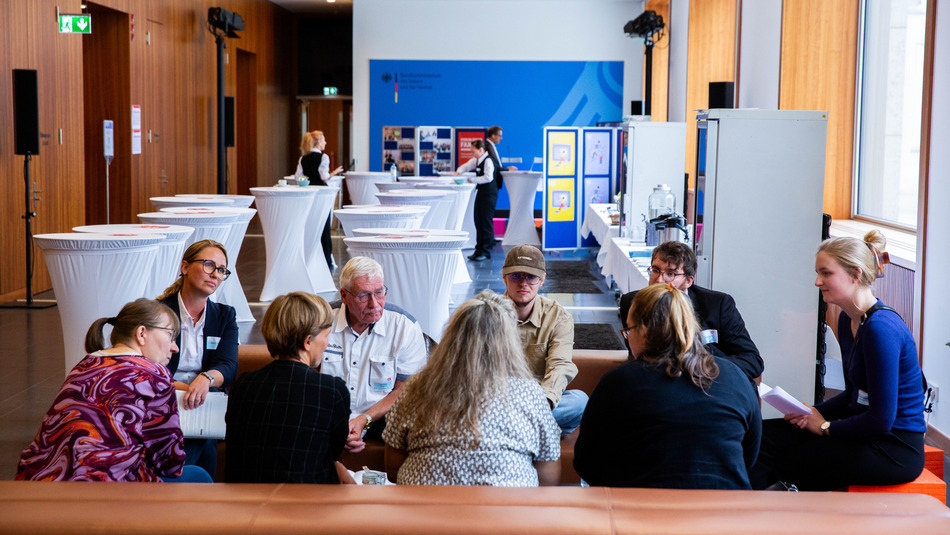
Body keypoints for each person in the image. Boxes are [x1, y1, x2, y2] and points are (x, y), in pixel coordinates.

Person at [751, 231, 926, 491]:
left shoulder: (881, 329)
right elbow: (853, 395)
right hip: (866, 429)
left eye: (826, 273)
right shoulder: (848, 319)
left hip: (893, 447)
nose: (816, 281)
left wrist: (823, 427)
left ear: (855, 274)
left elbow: (881, 420)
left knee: (794, 459)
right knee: (762, 437)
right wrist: (812, 412)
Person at [574, 283, 761, 489]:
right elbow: (749, 456)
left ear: (644, 330)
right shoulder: (736, 376)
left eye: (628, 329)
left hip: (642, 510)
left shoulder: (619, 381)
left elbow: (587, 462)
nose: (628, 338)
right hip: (727, 510)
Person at [16, 298, 210, 482]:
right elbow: (168, 462)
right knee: (200, 476)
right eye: (170, 335)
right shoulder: (153, 374)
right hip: (105, 485)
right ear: (141, 333)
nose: (174, 347)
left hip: (41, 479)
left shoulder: (85, 363)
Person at [383, 290, 561, 486]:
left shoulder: (417, 387)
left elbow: (393, 467)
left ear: (451, 337)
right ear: (509, 343)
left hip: (425, 508)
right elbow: (548, 475)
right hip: (507, 511)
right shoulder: (530, 393)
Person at [225, 292, 350, 484]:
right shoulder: (332, 390)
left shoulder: (242, 385)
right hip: (306, 503)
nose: (327, 343)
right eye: (326, 335)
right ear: (307, 342)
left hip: (244, 502)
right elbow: (333, 452)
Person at [322, 256, 427, 453]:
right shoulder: (322, 320)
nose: (374, 304)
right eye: (363, 295)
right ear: (344, 296)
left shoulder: (404, 326)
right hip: (326, 417)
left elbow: (405, 390)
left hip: (379, 419)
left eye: (379, 293)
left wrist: (364, 419)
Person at [619, 241, 764, 383]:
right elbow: (636, 355)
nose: (659, 280)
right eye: (655, 270)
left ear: (689, 280)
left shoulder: (717, 305)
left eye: (670, 273)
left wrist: (700, 367)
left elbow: (752, 360)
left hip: (708, 383)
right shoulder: (633, 303)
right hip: (657, 381)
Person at [157, 239, 239, 478]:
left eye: (221, 270)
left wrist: (205, 379)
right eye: (208, 265)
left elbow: (228, 366)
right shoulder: (158, 312)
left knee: (202, 433)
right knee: (202, 442)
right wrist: (187, 391)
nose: (215, 274)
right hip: (165, 396)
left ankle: (176, 486)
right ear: (185, 267)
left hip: (203, 400)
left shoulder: (224, 316)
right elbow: (148, 369)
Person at [501, 245, 587, 434]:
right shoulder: (486, 314)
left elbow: (560, 365)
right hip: (498, 400)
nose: (524, 283)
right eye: (516, 275)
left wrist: (544, 404)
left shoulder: (558, 317)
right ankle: (532, 429)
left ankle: (508, 428)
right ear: (504, 277)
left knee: (579, 401)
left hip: (539, 401)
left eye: (531, 277)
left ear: (542, 280)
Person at [299, 130, 344, 270]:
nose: (325, 142)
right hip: (322, 195)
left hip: (308, 194)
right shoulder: (323, 157)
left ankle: (308, 258)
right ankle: (326, 259)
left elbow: (298, 177)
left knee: (309, 225)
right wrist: (335, 172)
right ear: (318, 142)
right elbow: (324, 177)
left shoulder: (303, 158)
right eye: (324, 140)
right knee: (324, 227)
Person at [455, 139, 497, 261]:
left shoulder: (488, 161)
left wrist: (472, 180)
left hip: (489, 195)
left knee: (486, 223)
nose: (472, 154)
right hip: (481, 194)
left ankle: (486, 251)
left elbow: (488, 177)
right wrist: (458, 172)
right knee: (478, 221)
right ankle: (478, 250)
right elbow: (467, 165)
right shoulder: (478, 160)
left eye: (474, 151)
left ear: (481, 150)